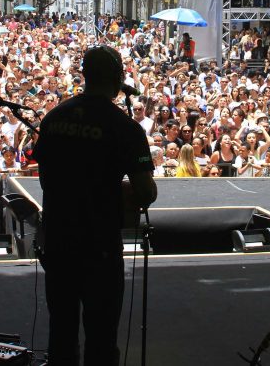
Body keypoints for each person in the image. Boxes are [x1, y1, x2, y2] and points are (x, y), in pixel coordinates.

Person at [34, 46, 157, 366]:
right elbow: (146, 192)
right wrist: (108, 191)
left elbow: (46, 181)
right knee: (101, 339)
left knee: (61, 333)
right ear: (118, 79)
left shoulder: (54, 118)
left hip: (59, 240)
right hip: (99, 244)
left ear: (84, 75)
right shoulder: (126, 128)